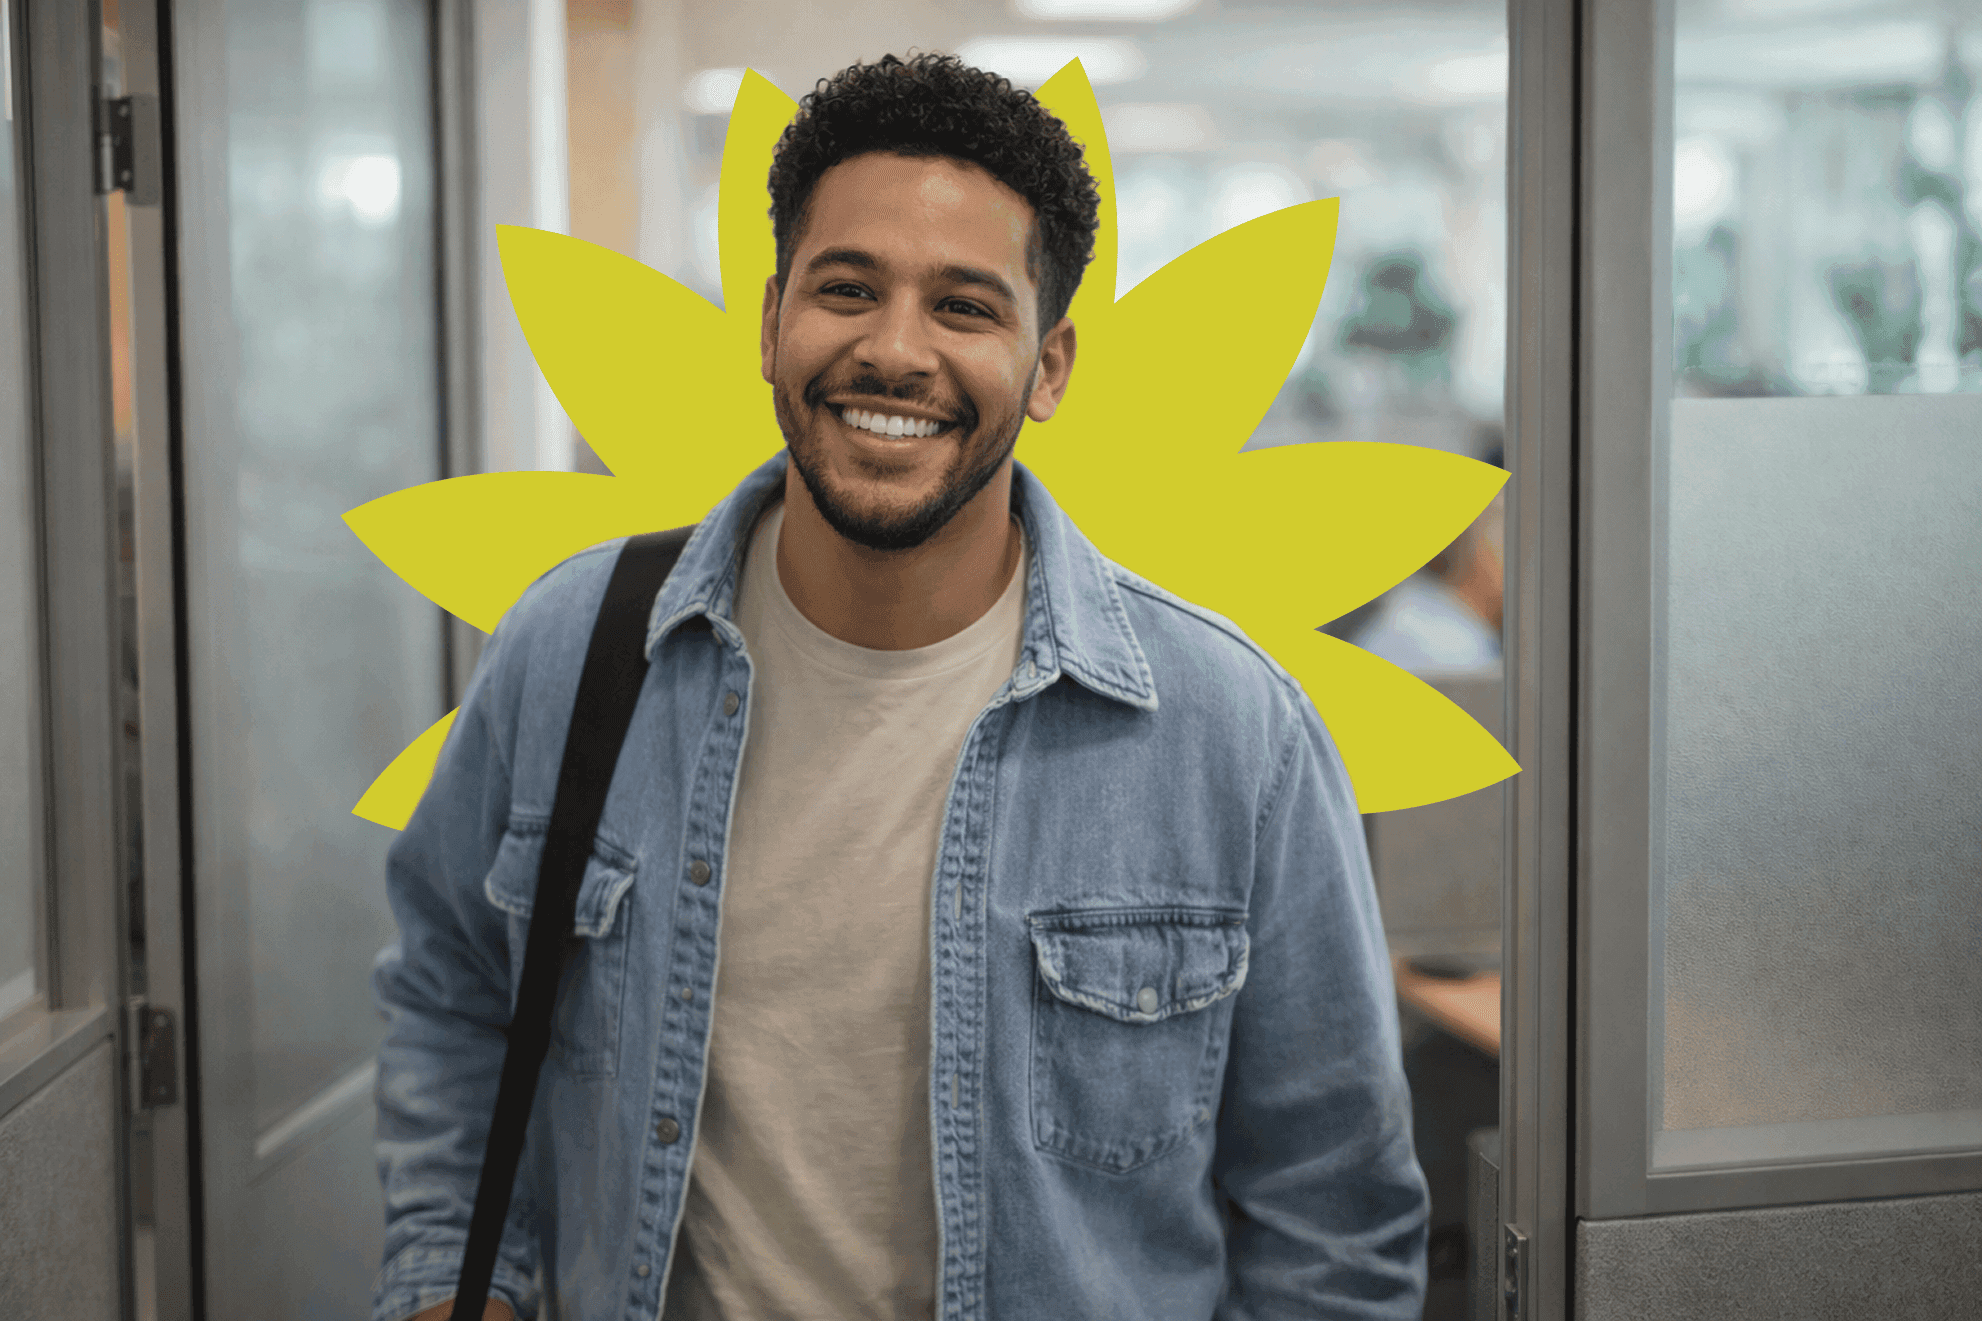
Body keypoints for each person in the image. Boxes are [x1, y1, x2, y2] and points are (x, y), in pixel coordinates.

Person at [373, 52, 1428, 1321]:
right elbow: (450, 988)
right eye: (847, 288)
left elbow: (1332, 1216)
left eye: (965, 307)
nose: (893, 350)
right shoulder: (578, 648)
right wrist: (452, 1282)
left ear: (1047, 368)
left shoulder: (1227, 731)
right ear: (771, 322)